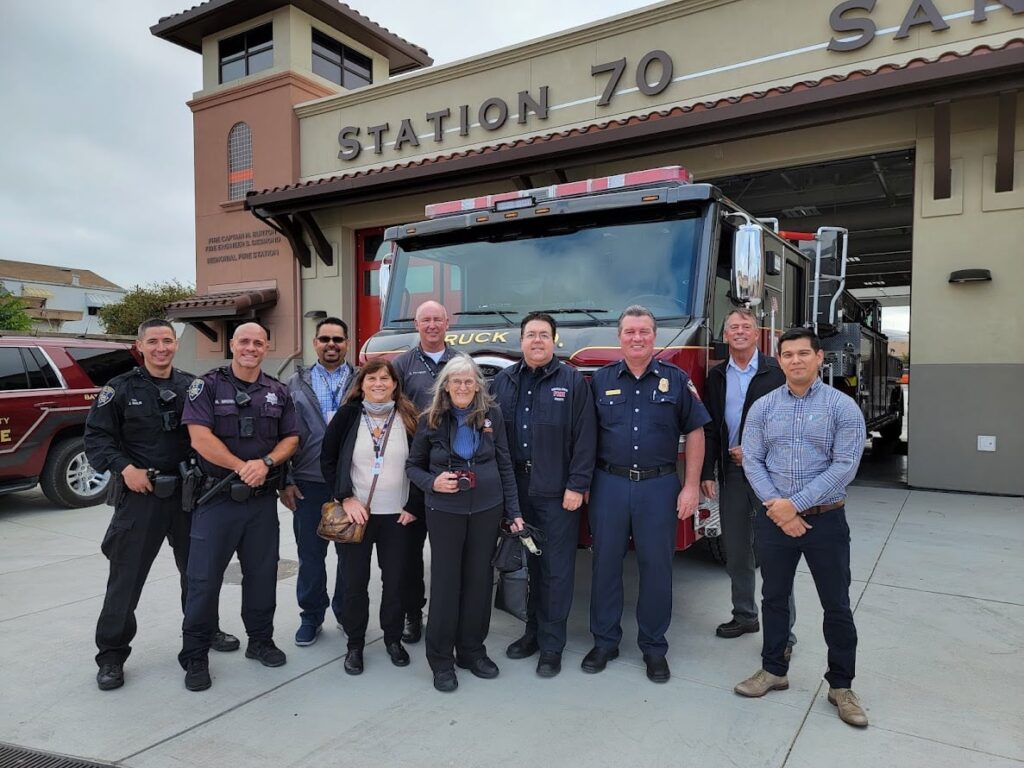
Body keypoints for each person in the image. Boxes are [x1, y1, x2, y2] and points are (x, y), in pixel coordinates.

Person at [86, 319, 239, 691]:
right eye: (153, 341)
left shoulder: (192, 387)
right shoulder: (119, 389)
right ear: (140, 346)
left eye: (167, 341)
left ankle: (205, 630)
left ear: (175, 344)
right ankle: (111, 656)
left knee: (199, 575)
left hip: (189, 497)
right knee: (126, 579)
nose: (161, 348)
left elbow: (209, 435)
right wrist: (124, 469)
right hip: (141, 498)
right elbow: (96, 440)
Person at [735, 327, 868, 728]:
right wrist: (780, 510)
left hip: (826, 520)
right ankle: (773, 670)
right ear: (779, 360)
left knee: (837, 605)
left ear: (819, 359)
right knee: (773, 598)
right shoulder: (762, 407)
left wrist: (794, 505)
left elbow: (844, 466)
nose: (795, 361)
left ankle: (841, 686)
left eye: (803, 354)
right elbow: (753, 460)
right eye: (787, 354)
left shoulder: (842, 408)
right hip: (775, 520)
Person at [585, 305, 710, 683]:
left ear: (654, 337)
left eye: (644, 331)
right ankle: (604, 641)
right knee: (605, 564)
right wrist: (585, 484)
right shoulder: (600, 380)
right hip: (609, 484)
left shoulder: (676, 379)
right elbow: (585, 437)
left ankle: (654, 647)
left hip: (659, 487)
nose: (637, 338)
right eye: (630, 332)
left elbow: (698, 432)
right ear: (619, 337)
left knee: (657, 568)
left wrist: (690, 486)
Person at [177, 322, 299, 692]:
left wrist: (265, 464)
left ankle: (260, 640)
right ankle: (195, 654)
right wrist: (241, 466)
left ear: (266, 348)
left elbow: (291, 438)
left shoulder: (278, 391)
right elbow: (199, 437)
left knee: (262, 576)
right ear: (232, 345)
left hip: (261, 503)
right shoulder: (208, 385)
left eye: (258, 342)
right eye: (244, 341)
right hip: (217, 500)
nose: (250, 347)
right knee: (203, 580)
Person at [406, 355, 524, 693]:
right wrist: (432, 483)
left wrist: (513, 511)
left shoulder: (492, 414)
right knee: (446, 583)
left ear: (477, 385)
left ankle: (472, 651)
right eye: (455, 381)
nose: (461, 386)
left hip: (487, 508)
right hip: (445, 511)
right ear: (445, 385)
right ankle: (441, 660)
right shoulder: (430, 418)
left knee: (479, 580)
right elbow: (413, 466)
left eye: (468, 381)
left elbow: (504, 464)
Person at [491, 312, 596, 678]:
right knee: (529, 567)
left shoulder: (572, 381)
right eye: (530, 335)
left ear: (555, 341)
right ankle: (532, 634)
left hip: (557, 493)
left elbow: (586, 438)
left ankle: (552, 646)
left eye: (543, 335)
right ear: (520, 341)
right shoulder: (503, 381)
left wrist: (577, 486)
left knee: (556, 571)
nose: (537, 341)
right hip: (516, 490)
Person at [700, 308, 796, 656]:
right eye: (732, 328)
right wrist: (707, 471)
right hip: (732, 473)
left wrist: (756, 450)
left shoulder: (776, 371)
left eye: (746, 327)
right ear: (725, 336)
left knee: (775, 552)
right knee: (737, 550)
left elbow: (792, 424)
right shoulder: (716, 376)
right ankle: (744, 615)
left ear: (758, 334)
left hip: (771, 475)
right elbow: (710, 427)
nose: (739, 332)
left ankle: (783, 633)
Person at [320, 360, 422, 674]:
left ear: (395, 384)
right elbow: (328, 459)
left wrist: (413, 505)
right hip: (357, 516)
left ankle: (393, 639)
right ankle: (355, 644)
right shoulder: (348, 415)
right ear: (362, 384)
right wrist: (345, 497)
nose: (378, 383)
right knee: (354, 584)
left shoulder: (409, 417)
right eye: (372, 378)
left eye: (385, 379)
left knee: (394, 583)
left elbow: (423, 462)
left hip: (397, 517)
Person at [280, 317, 355, 646]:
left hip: (352, 484)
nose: (331, 345)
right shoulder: (294, 384)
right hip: (308, 483)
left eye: (338, 339)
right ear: (315, 343)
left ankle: (345, 612)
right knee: (311, 556)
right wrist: (284, 479)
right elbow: (282, 435)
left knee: (350, 556)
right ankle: (311, 616)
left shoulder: (361, 381)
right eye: (324, 339)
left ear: (347, 344)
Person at [391, 300, 457, 644]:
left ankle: (449, 616)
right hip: (413, 473)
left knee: (448, 552)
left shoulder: (462, 364)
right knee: (409, 553)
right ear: (416, 325)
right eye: (425, 320)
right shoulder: (401, 365)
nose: (432, 325)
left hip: (451, 470)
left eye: (437, 319)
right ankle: (412, 614)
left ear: (448, 322)